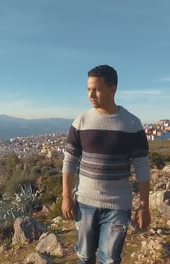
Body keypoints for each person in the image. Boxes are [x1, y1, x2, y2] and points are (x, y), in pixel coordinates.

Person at [61, 65, 151, 264]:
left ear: (113, 89)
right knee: (84, 256)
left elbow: (142, 167)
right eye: (88, 89)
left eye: (96, 89)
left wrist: (144, 206)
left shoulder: (131, 124)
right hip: (84, 203)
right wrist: (67, 196)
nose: (91, 95)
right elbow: (69, 161)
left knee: (110, 259)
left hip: (118, 205)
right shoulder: (81, 121)